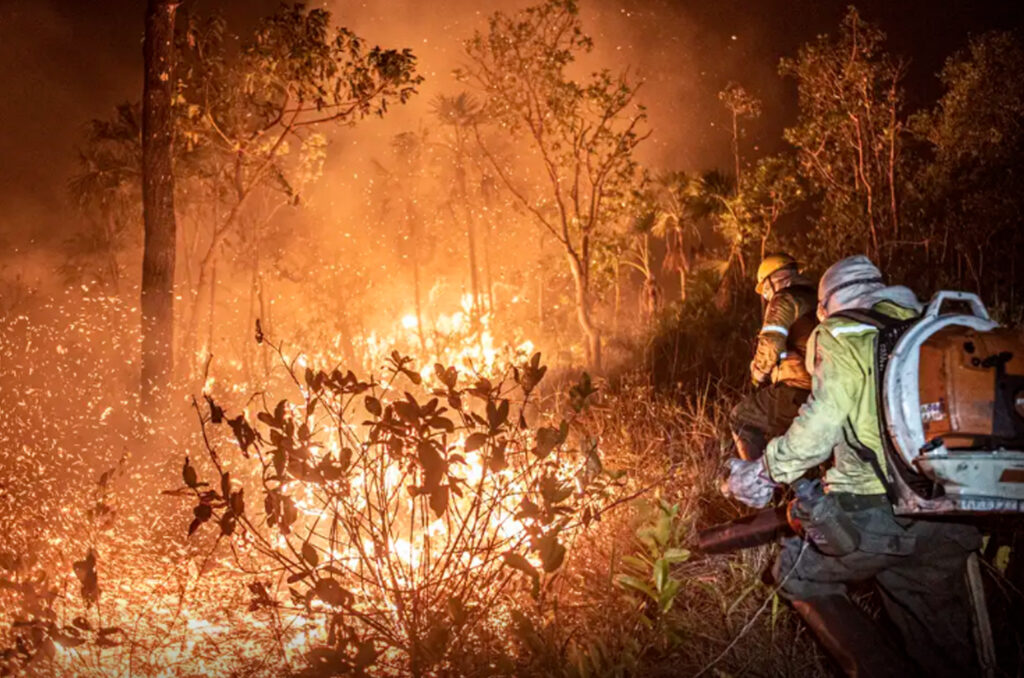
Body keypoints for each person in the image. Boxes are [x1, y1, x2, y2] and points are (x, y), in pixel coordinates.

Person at [726, 255, 981, 678]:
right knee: (935, 641)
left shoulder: (841, 332)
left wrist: (765, 470)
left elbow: (820, 425)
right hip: (949, 514)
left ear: (825, 305)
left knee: (795, 574)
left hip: (877, 513)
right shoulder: (927, 330)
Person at [729, 253, 817, 461]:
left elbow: (771, 341)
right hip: (825, 389)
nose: (767, 295)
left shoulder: (785, 298)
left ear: (772, 280)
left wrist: (758, 374)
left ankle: (754, 477)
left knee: (741, 417)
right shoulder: (817, 297)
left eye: (766, 289)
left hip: (798, 388)